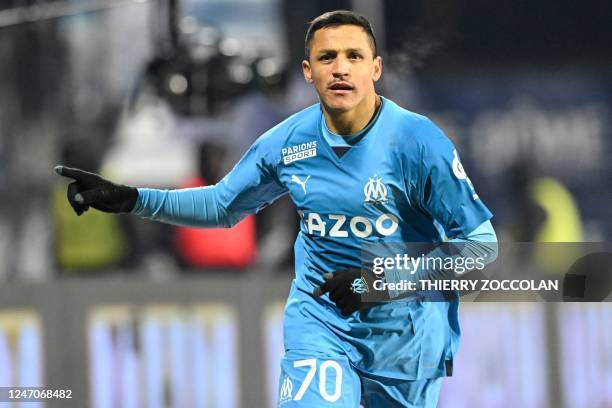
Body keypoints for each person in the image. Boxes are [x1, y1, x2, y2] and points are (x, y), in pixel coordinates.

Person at [56, 10, 498, 407]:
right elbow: (222, 205)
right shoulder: (287, 141)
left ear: (375, 68)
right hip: (321, 322)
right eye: (327, 58)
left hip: (406, 337)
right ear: (308, 71)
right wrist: (132, 198)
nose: (340, 68)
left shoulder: (418, 142)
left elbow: (479, 246)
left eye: (354, 57)